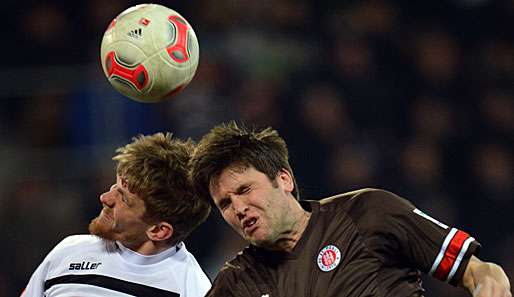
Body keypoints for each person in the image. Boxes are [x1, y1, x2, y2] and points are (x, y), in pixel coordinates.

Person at [190, 121, 511, 297]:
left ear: (284, 179)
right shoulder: (236, 284)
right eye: (225, 204)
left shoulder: (368, 213)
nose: (239, 208)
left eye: (245, 190)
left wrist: (487, 285)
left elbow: (479, 270)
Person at [23, 132, 211, 297]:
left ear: (159, 231)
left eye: (124, 199)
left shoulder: (192, 288)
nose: (105, 197)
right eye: (115, 186)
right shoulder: (67, 252)